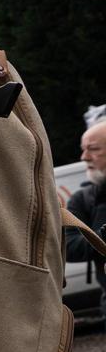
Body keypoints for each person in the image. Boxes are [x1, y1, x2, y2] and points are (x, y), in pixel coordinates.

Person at [65, 120, 106, 318]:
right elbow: (68, 246)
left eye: (93, 149)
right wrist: (103, 236)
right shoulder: (82, 199)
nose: (84, 157)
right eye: (83, 149)